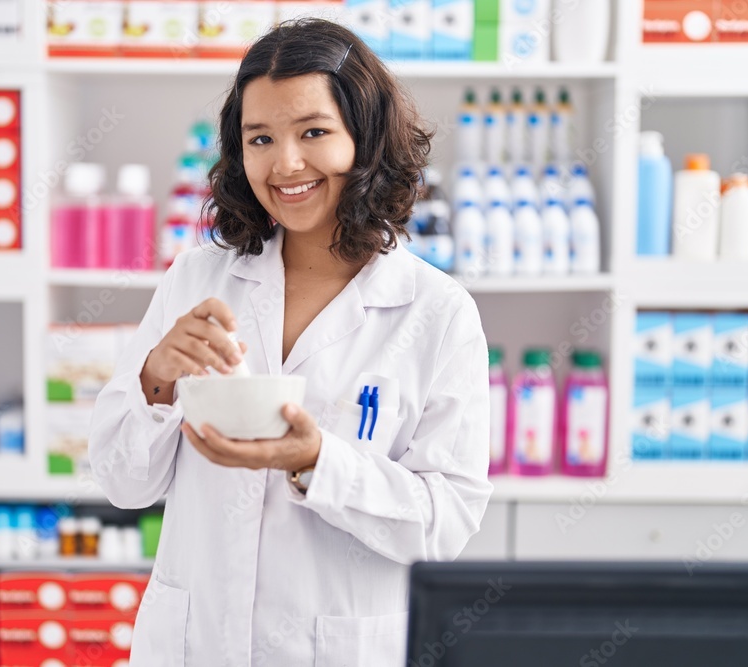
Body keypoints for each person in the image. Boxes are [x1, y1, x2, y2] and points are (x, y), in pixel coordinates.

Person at [88, 18, 492, 667]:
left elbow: (443, 522)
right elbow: (121, 481)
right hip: (195, 645)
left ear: (365, 136)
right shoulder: (198, 277)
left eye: (313, 132)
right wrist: (155, 381)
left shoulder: (438, 313)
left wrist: (317, 462)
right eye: (260, 138)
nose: (286, 163)